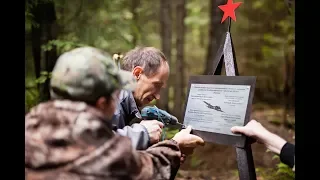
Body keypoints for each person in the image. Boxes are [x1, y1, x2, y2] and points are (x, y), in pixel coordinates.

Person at [25, 46, 205, 180]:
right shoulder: (91, 139)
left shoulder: (32, 125)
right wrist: (175, 145)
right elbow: (145, 173)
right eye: (114, 93)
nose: (119, 96)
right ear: (102, 103)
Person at [112, 47, 171, 150]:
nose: (157, 96)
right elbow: (100, 147)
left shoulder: (123, 102)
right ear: (137, 73)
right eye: (156, 85)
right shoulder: (113, 102)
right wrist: (143, 133)